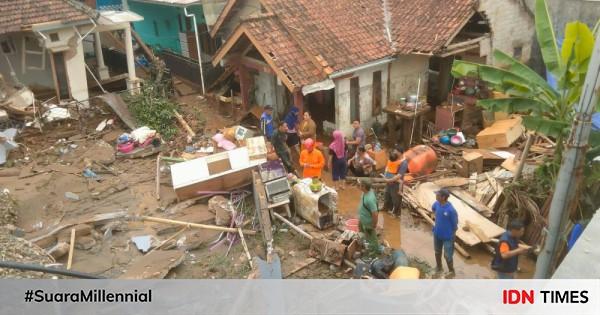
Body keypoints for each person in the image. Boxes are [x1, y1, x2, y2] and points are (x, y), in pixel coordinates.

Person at [432, 188, 458, 276]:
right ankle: (439, 267)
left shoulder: (451, 210)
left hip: (448, 237)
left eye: (438, 195)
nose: (436, 195)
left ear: (443, 197)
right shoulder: (436, 204)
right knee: (437, 251)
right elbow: (433, 209)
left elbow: (455, 225)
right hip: (437, 234)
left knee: (447, 255)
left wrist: (452, 236)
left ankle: (451, 271)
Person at [357, 179, 381, 257]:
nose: (358, 186)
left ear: (364, 187)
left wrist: (373, 226)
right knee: (364, 234)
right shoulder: (366, 192)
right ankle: (366, 244)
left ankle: (374, 254)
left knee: (372, 240)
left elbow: (375, 214)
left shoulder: (370, 199)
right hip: (363, 219)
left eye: (360, 185)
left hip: (368, 223)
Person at [382, 151, 408, 216]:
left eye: (396, 151)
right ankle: (387, 208)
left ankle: (396, 213)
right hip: (392, 178)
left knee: (396, 199)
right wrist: (389, 180)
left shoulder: (404, 163)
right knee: (387, 195)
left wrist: (388, 179)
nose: (395, 152)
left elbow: (399, 175)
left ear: (400, 152)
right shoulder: (399, 162)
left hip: (392, 180)